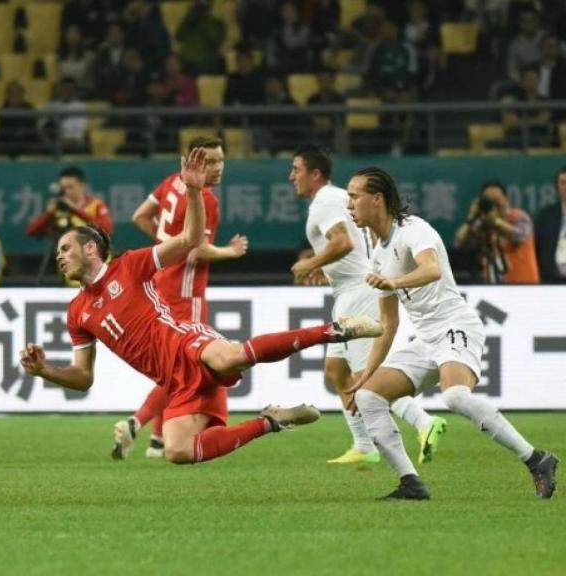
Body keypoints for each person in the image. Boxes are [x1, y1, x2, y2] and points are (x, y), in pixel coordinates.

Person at [19, 148, 383, 467]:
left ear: (90, 249)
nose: (59, 256)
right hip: (172, 380)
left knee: (230, 357)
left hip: (184, 341)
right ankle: (271, 421)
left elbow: (190, 240)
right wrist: (43, 370)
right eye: (58, 252)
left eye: (65, 248)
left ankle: (335, 329)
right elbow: (83, 379)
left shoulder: (129, 265)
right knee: (177, 451)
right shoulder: (77, 312)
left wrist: (194, 190)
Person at [345, 166, 558, 500]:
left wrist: (394, 282)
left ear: (377, 199)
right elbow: (389, 325)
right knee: (368, 397)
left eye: (354, 196)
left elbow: (431, 270)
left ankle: (536, 459)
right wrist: (365, 376)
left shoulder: (413, 229)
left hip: (456, 326)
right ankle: (410, 483)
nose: (349, 204)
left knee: (454, 396)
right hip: (426, 340)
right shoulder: (377, 256)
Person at [289, 145, 444, 465]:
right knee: (336, 370)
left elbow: (342, 242)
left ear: (315, 174)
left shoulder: (324, 203)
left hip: (360, 292)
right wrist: (325, 267)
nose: (292, 176)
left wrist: (310, 262)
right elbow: (352, 241)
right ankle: (364, 444)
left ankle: (423, 421)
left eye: (297, 169)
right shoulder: (334, 199)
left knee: (366, 376)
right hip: (350, 290)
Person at [112, 136, 248, 460]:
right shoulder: (206, 199)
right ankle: (137, 422)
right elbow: (198, 249)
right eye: (210, 162)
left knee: (169, 364)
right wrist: (230, 252)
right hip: (185, 293)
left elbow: (140, 216)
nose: (216, 168)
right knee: (185, 367)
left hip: (158, 286)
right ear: (193, 162)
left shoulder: (171, 183)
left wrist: (166, 246)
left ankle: (158, 438)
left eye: (220, 160)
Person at [453, 180, 539, 284]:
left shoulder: (519, 217)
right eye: (489, 201)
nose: (494, 204)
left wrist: (495, 221)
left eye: (497, 199)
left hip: (523, 286)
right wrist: (471, 218)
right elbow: (458, 242)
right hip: (493, 287)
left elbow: (519, 236)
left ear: (506, 199)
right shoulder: (481, 225)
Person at [535, 167, 566, 284]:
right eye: (563, 183)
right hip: (551, 281)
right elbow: (538, 247)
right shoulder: (546, 215)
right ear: (557, 187)